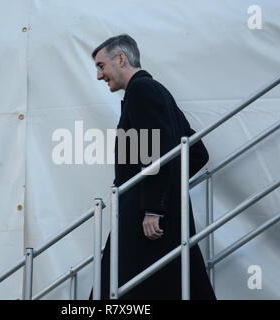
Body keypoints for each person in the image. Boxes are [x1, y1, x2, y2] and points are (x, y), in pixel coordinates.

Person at [90, 34, 216, 300]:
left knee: (118, 286)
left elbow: (155, 152)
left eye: (101, 66)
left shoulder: (142, 91)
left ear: (121, 58)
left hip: (146, 218)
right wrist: (167, 190)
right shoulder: (153, 91)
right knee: (161, 283)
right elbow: (196, 153)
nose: (100, 76)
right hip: (154, 213)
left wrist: (153, 207)